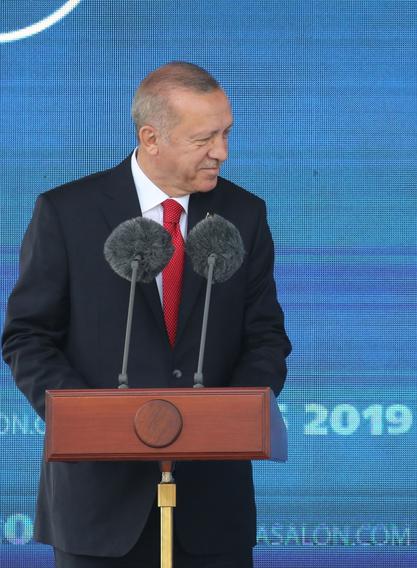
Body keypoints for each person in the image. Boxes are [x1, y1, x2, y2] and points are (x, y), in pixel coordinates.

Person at [2, 61, 292, 567]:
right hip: (98, 505)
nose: (221, 152)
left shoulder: (244, 215)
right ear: (151, 137)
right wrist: (87, 422)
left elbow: (265, 336)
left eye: (226, 133)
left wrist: (233, 418)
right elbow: (28, 336)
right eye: (204, 138)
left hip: (212, 507)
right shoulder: (67, 212)